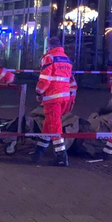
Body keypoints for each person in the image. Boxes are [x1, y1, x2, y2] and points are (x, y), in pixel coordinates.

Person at [31, 37, 74, 166]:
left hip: (52, 97)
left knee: (55, 127)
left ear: (49, 46)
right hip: (64, 97)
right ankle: (39, 151)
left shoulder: (49, 58)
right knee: (49, 125)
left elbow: (45, 78)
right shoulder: (66, 58)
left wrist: (39, 92)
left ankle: (61, 156)